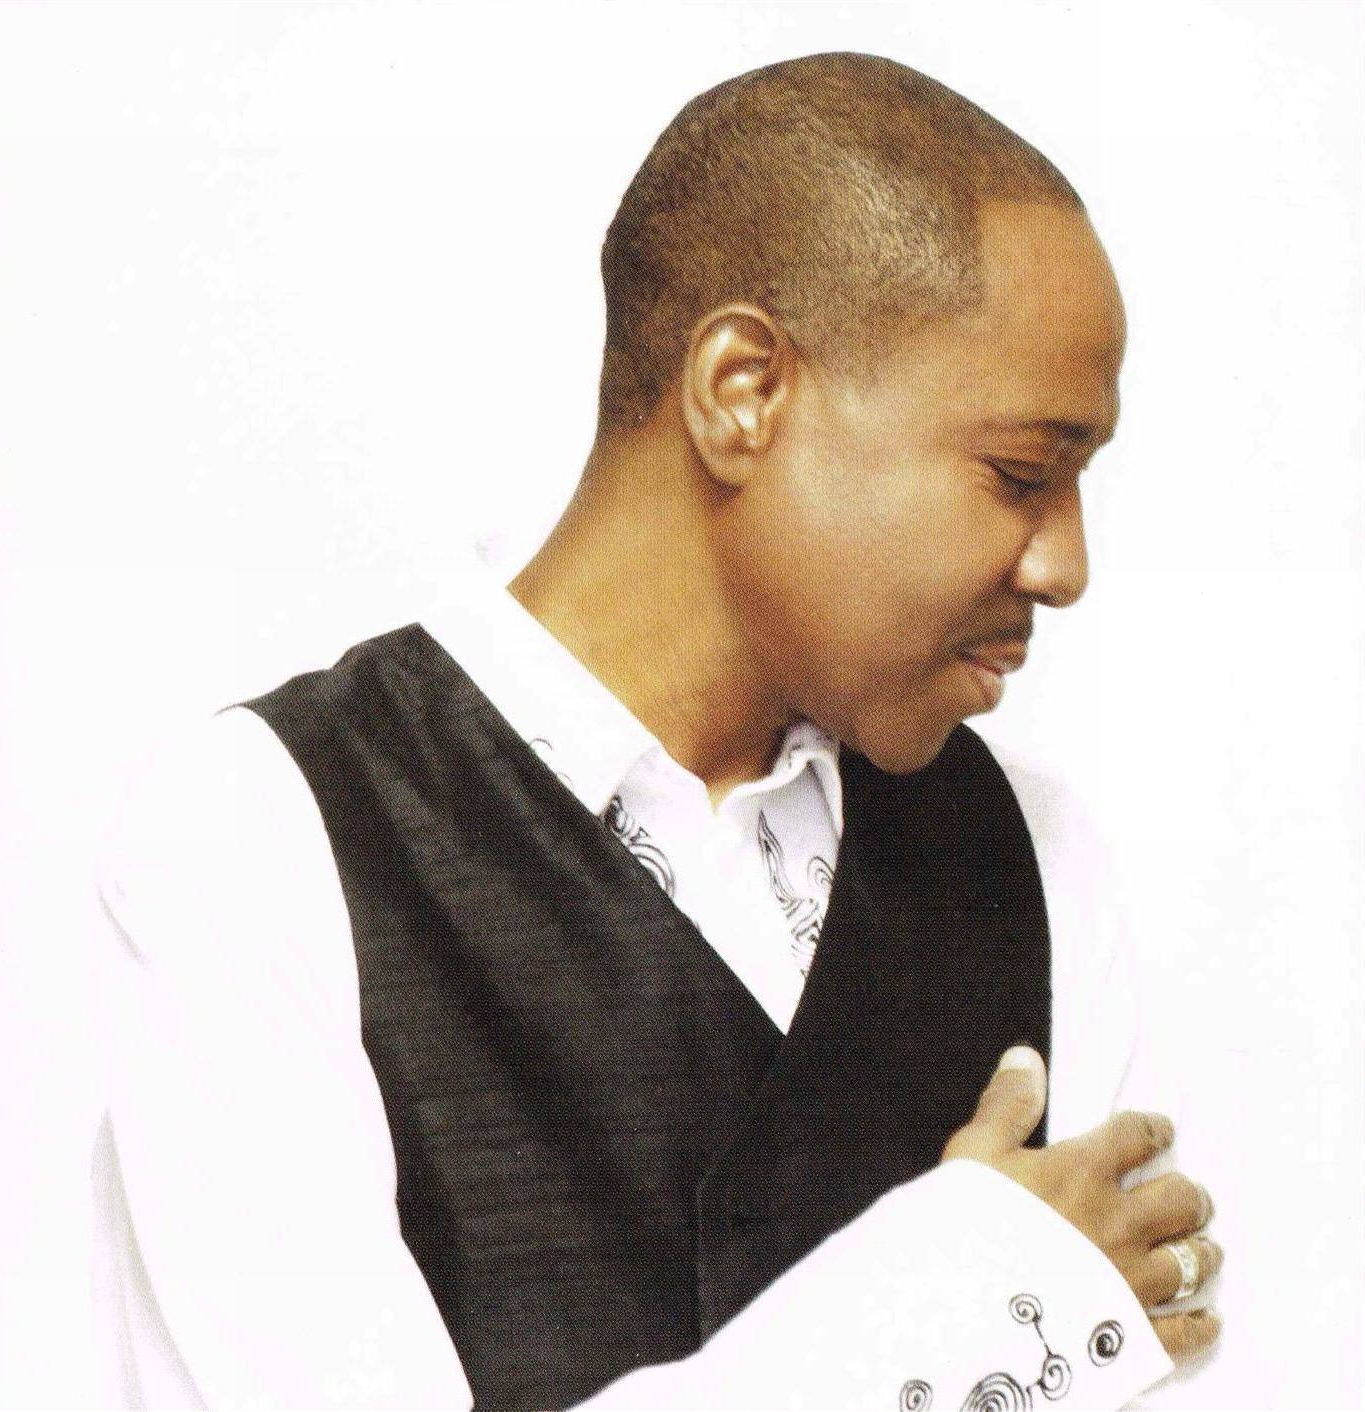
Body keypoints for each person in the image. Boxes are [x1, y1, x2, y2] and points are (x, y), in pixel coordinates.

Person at [90, 51, 1222, 1411]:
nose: (1065, 565)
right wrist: (961, 1302)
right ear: (743, 390)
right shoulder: (254, 843)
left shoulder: (1035, 854)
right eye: (1020, 473)